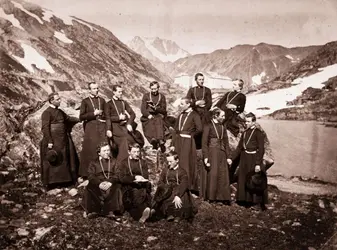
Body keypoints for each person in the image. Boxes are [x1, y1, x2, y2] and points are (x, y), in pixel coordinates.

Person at [228, 112, 268, 210]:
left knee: (254, 180)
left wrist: (258, 164)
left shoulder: (258, 133)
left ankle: (256, 203)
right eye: (246, 122)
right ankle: (244, 201)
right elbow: (239, 148)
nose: (246, 124)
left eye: (249, 122)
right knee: (243, 178)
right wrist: (231, 158)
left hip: (254, 159)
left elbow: (261, 149)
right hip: (244, 158)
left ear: (254, 122)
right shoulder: (245, 133)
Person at [40, 92, 79, 190]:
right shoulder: (47, 113)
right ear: (51, 100)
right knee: (54, 160)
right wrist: (49, 141)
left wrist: (79, 119)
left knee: (64, 159)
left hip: (62, 139)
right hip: (53, 139)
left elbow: (68, 118)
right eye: (57, 99)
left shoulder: (60, 111)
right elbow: (45, 127)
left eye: (59, 99)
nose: (60, 101)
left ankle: (64, 182)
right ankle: (52, 183)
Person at [152, 151, 197, 222]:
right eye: (168, 162)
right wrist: (165, 188)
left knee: (181, 199)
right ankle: (169, 214)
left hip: (178, 190)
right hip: (167, 190)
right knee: (166, 198)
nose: (169, 164)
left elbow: (184, 184)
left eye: (171, 161)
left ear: (177, 160)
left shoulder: (182, 171)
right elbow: (160, 181)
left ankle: (178, 215)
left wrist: (178, 195)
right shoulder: (165, 170)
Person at [82, 142, 123, 219]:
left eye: (108, 150)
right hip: (98, 182)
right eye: (104, 151)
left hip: (111, 182)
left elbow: (118, 174)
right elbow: (91, 175)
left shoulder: (114, 161)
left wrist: (110, 182)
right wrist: (99, 183)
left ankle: (111, 211)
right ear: (99, 153)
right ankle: (91, 210)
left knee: (117, 188)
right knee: (89, 188)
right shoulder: (93, 163)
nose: (107, 152)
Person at [171, 98, 202, 195]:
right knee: (178, 162)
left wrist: (190, 135)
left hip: (188, 141)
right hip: (178, 141)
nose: (180, 105)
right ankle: (178, 185)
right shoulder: (180, 115)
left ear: (188, 104)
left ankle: (189, 188)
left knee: (186, 163)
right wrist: (172, 144)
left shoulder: (194, 115)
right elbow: (176, 130)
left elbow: (199, 129)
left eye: (182, 104)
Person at [200, 108, 231, 205]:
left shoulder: (223, 126)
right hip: (212, 152)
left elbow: (226, 142)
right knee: (213, 174)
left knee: (222, 174)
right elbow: (204, 143)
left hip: (222, 153)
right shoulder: (208, 125)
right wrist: (205, 156)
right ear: (215, 116)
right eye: (222, 116)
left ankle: (221, 198)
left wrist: (228, 156)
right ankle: (211, 197)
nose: (224, 117)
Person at [116, 143, 152, 223]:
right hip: (128, 187)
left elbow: (146, 176)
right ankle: (145, 211)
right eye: (134, 152)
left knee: (142, 193)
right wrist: (134, 178)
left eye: (138, 152)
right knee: (135, 195)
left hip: (141, 186)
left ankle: (142, 214)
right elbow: (121, 178)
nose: (136, 154)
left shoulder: (142, 162)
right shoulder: (124, 163)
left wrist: (142, 179)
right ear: (129, 152)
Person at [79, 82, 107, 179]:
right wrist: (93, 113)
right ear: (89, 90)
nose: (96, 90)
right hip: (90, 128)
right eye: (94, 88)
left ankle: (102, 171)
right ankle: (87, 174)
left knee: (102, 149)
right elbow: (81, 116)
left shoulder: (102, 100)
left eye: (97, 88)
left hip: (101, 127)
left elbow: (106, 114)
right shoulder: (85, 101)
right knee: (90, 150)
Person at [105, 85, 136, 162]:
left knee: (132, 140)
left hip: (124, 126)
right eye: (119, 92)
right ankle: (122, 162)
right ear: (114, 92)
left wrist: (129, 124)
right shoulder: (109, 104)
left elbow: (132, 114)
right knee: (125, 140)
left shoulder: (123, 102)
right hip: (114, 127)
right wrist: (109, 129)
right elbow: (108, 118)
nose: (121, 93)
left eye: (122, 92)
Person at [186, 73, 212, 149]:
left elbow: (209, 103)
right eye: (199, 79)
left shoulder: (207, 90)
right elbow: (187, 101)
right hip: (195, 111)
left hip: (204, 112)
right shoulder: (191, 90)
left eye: (202, 79)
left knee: (205, 128)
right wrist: (196, 103)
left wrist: (204, 107)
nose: (201, 81)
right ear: (196, 80)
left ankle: (203, 146)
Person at [141, 81, 167, 152]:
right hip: (148, 115)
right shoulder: (146, 96)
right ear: (150, 88)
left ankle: (160, 140)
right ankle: (153, 140)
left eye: (155, 89)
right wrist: (148, 115)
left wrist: (156, 109)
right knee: (150, 122)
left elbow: (164, 110)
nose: (154, 91)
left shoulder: (162, 97)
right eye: (152, 89)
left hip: (158, 114)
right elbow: (143, 109)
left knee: (159, 121)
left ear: (158, 88)